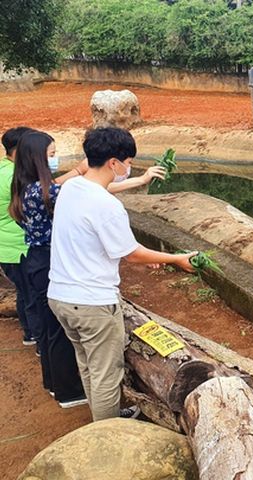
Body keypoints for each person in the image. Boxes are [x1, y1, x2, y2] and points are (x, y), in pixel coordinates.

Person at [47, 127, 196, 421]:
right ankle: (109, 431)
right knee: (106, 372)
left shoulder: (71, 188)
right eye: (128, 162)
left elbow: (117, 246)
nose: (129, 168)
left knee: (87, 363)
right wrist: (176, 259)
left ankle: (106, 414)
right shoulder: (107, 206)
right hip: (91, 303)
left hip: (60, 297)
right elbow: (131, 253)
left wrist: (142, 256)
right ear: (114, 163)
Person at [9, 130, 89, 408]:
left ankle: (53, 383)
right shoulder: (45, 193)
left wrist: (78, 172)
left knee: (46, 325)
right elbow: (79, 192)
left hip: (35, 259)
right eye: (52, 155)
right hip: (48, 260)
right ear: (37, 159)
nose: (54, 160)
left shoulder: (23, 187)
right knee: (58, 327)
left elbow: (56, 185)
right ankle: (70, 392)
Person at [1, 127, 37, 346]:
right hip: (18, 245)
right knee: (31, 294)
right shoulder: (14, 176)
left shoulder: (4, 169)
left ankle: (29, 334)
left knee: (24, 291)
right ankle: (36, 336)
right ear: (18, 151)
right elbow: (43, 195)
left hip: (6, 246)